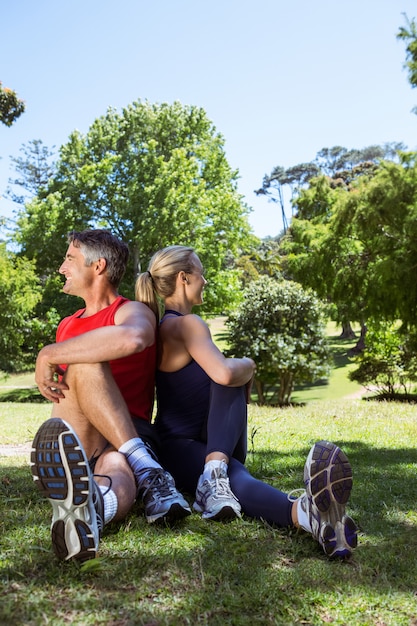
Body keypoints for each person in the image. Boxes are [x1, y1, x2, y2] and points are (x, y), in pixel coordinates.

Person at [135, 245, 358, 558]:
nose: (206, 281)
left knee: (229, 374)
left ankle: (221, 476)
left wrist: (238, 368)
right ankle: (306, 516)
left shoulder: (164, 327)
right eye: (201, 274)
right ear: (184, 278)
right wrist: (249, 365)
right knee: (230, 373)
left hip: (201, 443)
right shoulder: (187, 325)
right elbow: (225, 376)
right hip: (184, 447)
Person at [31, 230, 190, 563]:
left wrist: (49, 354)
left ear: (98, 266)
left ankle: (95, 508)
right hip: (79, 437)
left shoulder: (132, 312)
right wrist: (51, 352)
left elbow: (134, 339)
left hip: (125, 435)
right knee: (85, 365)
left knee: (118, 468)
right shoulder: (66, 326)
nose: (62, 267)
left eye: (70, 259)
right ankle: (145, 470)